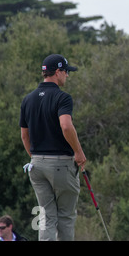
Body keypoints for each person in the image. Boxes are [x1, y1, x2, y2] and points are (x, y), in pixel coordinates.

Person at [20, 54, 87, 241]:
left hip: (36, 165)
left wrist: (35, 157)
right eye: (66, 72)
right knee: (65, 216)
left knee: (47, 216)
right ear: (58, 72)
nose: (67, 76)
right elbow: (66, 126)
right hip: (61, 165)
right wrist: (79, 152)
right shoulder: (62, 97)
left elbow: (24, 135)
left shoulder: (28, 99)